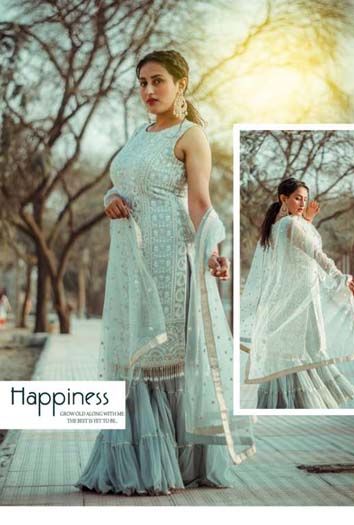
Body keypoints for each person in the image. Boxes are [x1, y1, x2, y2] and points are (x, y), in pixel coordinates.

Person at [77, 50, 254, 496]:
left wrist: (214, 250)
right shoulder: (140, 133)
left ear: (181, 84)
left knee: (159, 354)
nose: (148, 91)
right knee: (129, 350)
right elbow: (124, 184)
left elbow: (198, 201)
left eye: (158, 81)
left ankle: (169, 462)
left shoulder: (191, 135)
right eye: (142, 82)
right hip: (128, 263)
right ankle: (132, 459)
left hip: (169, 257)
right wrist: (107, 200)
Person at [240, 178, 354, 409]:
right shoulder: (290, 225)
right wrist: (341, 277)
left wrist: (307, 219)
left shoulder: (278, 227)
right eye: (297, 198)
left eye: (305, 199)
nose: (302, 203)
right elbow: (316, 254)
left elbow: (299, 252)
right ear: (283, 199)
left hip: (291, 300)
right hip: (299, 302)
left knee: (294, 353)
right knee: (306, 350)